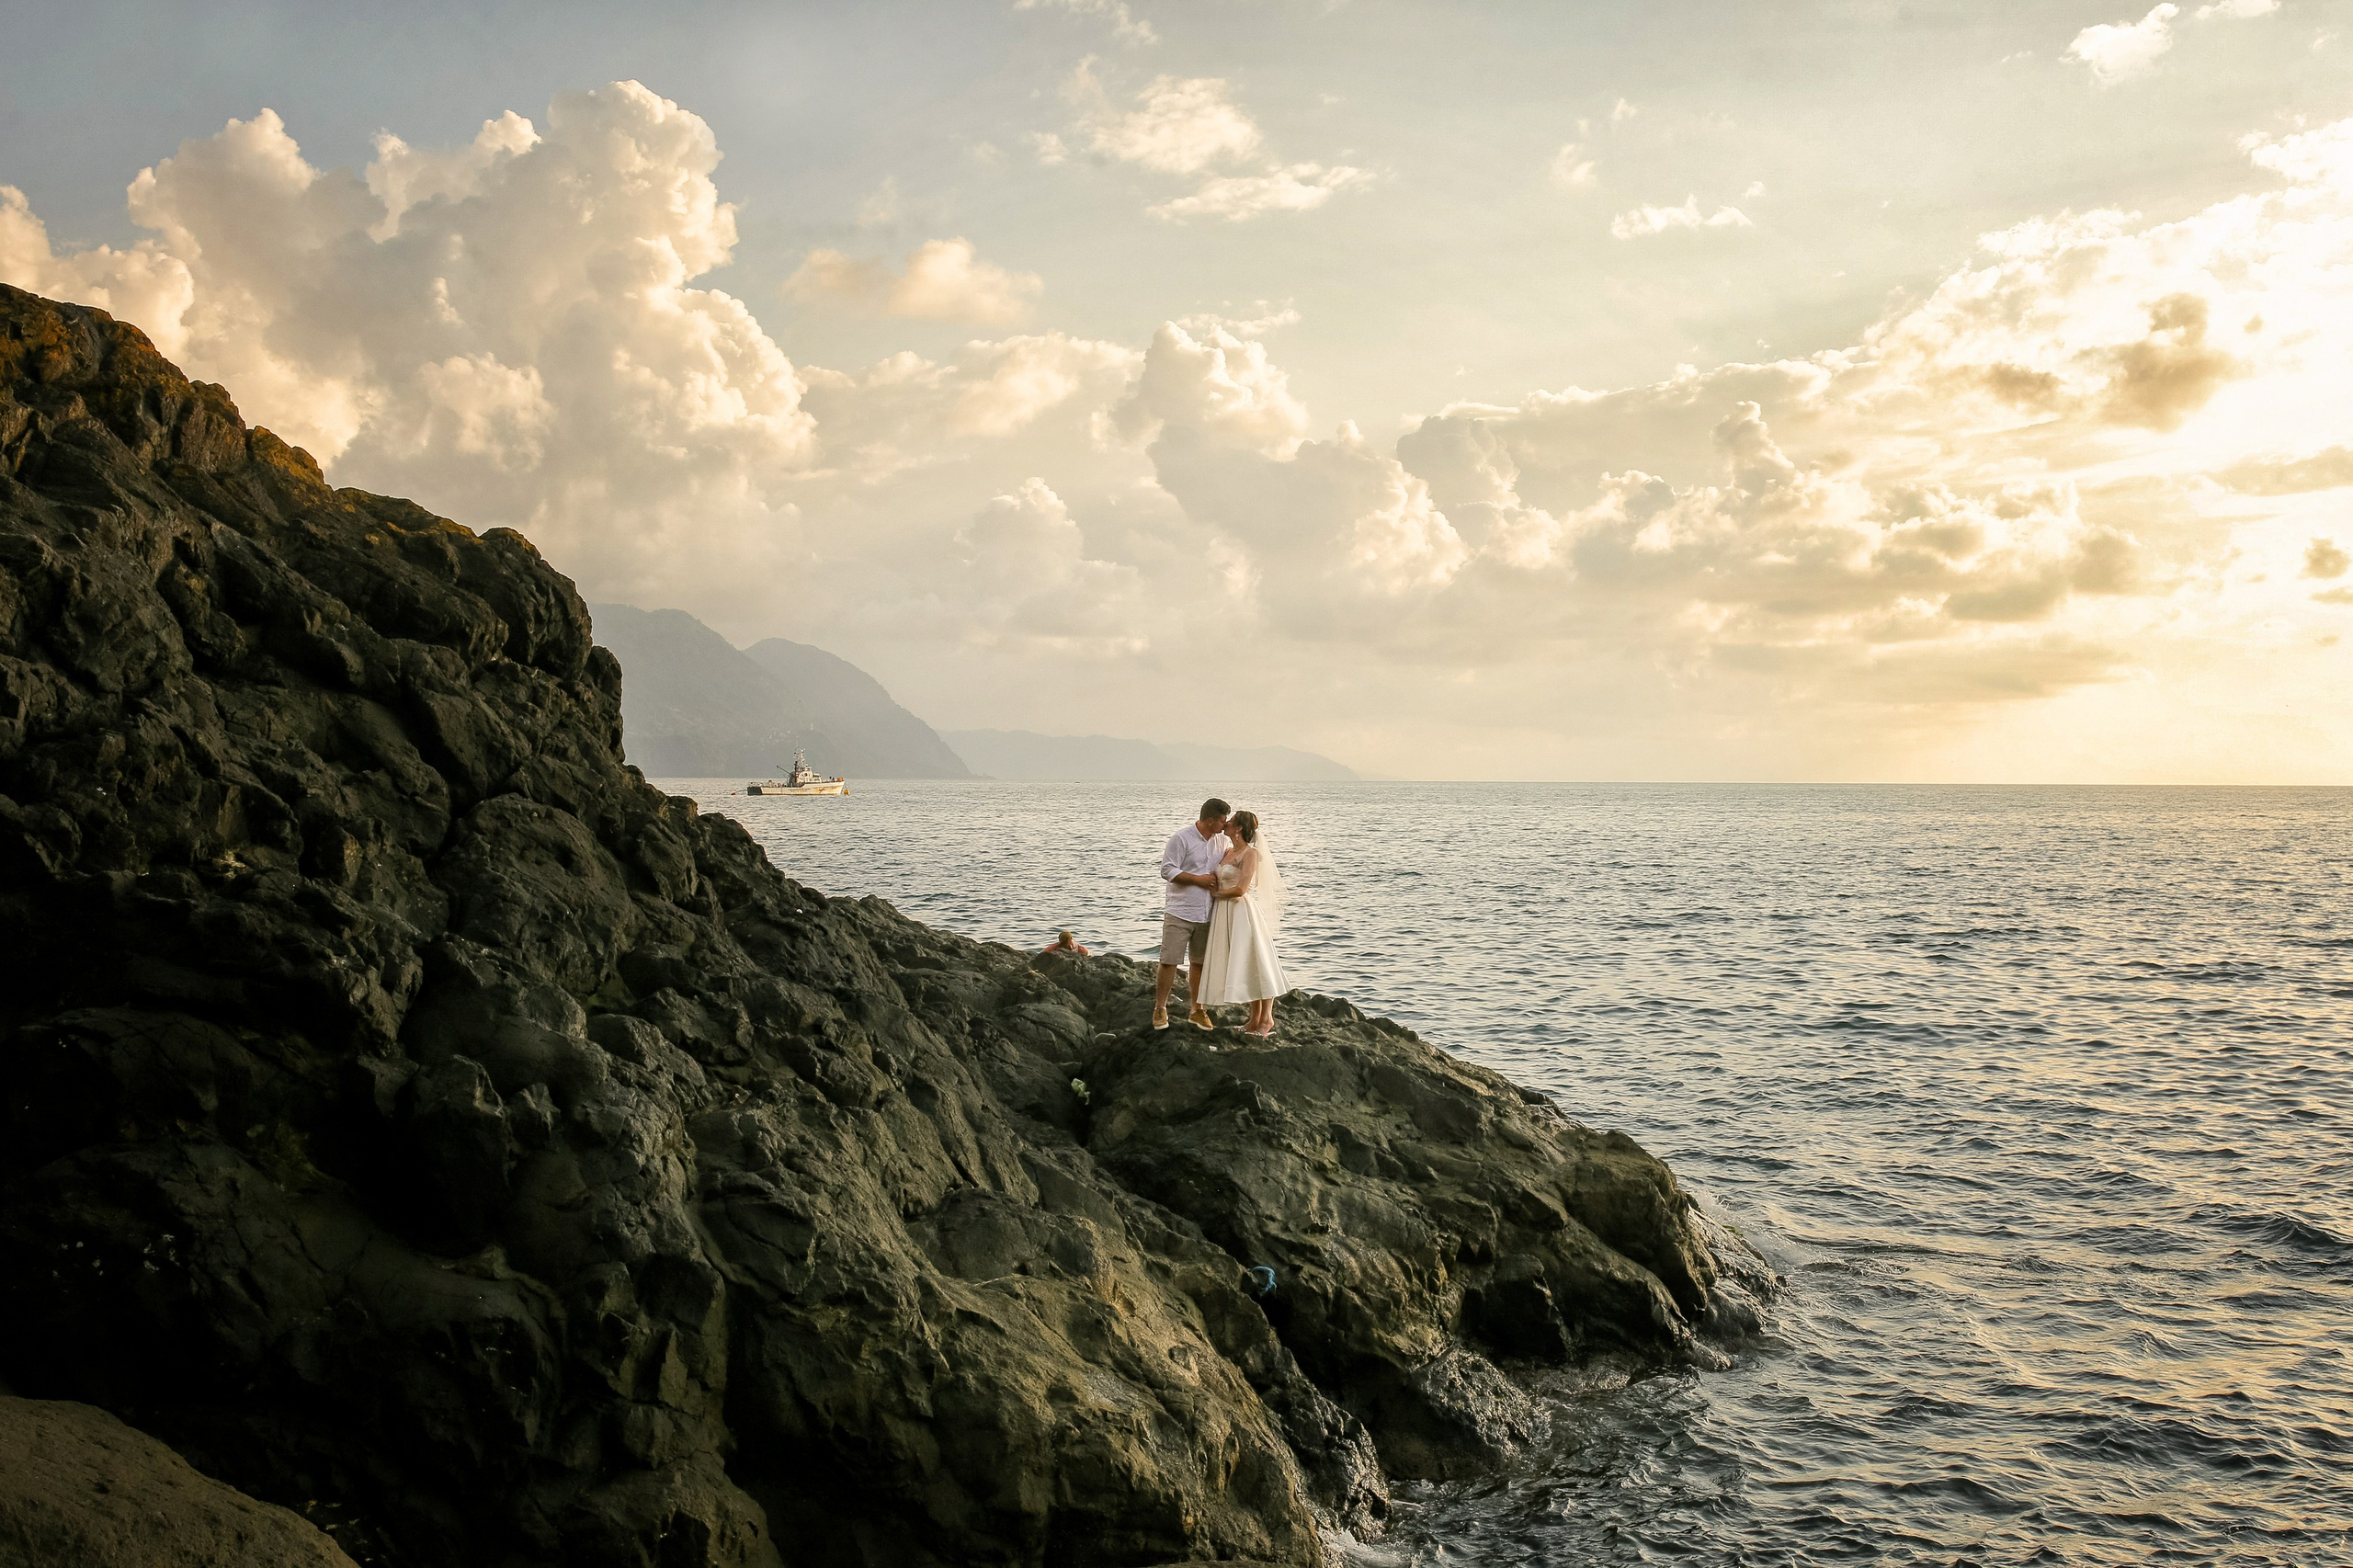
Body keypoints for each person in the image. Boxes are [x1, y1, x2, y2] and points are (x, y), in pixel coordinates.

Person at [1198, 809, 1287, 1037]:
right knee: (1244, 965)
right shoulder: (1228, 852)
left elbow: (1242, 888)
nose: (1225, 823)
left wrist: (1216, 895)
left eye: (1231, 821)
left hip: (1240, 911)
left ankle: (1267, 1019)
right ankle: (1253, 1019)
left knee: (1257, 962)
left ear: (1238, 828)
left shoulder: (1250, 854)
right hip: (1224, 913)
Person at [1154, 797, 1231, 1030]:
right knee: (1169, 961)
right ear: (1210, 820)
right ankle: (1160, 1008)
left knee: (1199, 963)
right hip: (1180, 910)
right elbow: (1167, 869)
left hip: (1208, 912)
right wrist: (1198, 880)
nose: (1225, 825)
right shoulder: (1181, 838)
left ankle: (1197, 1010)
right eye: (1222, 821)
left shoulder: (1221, 842)